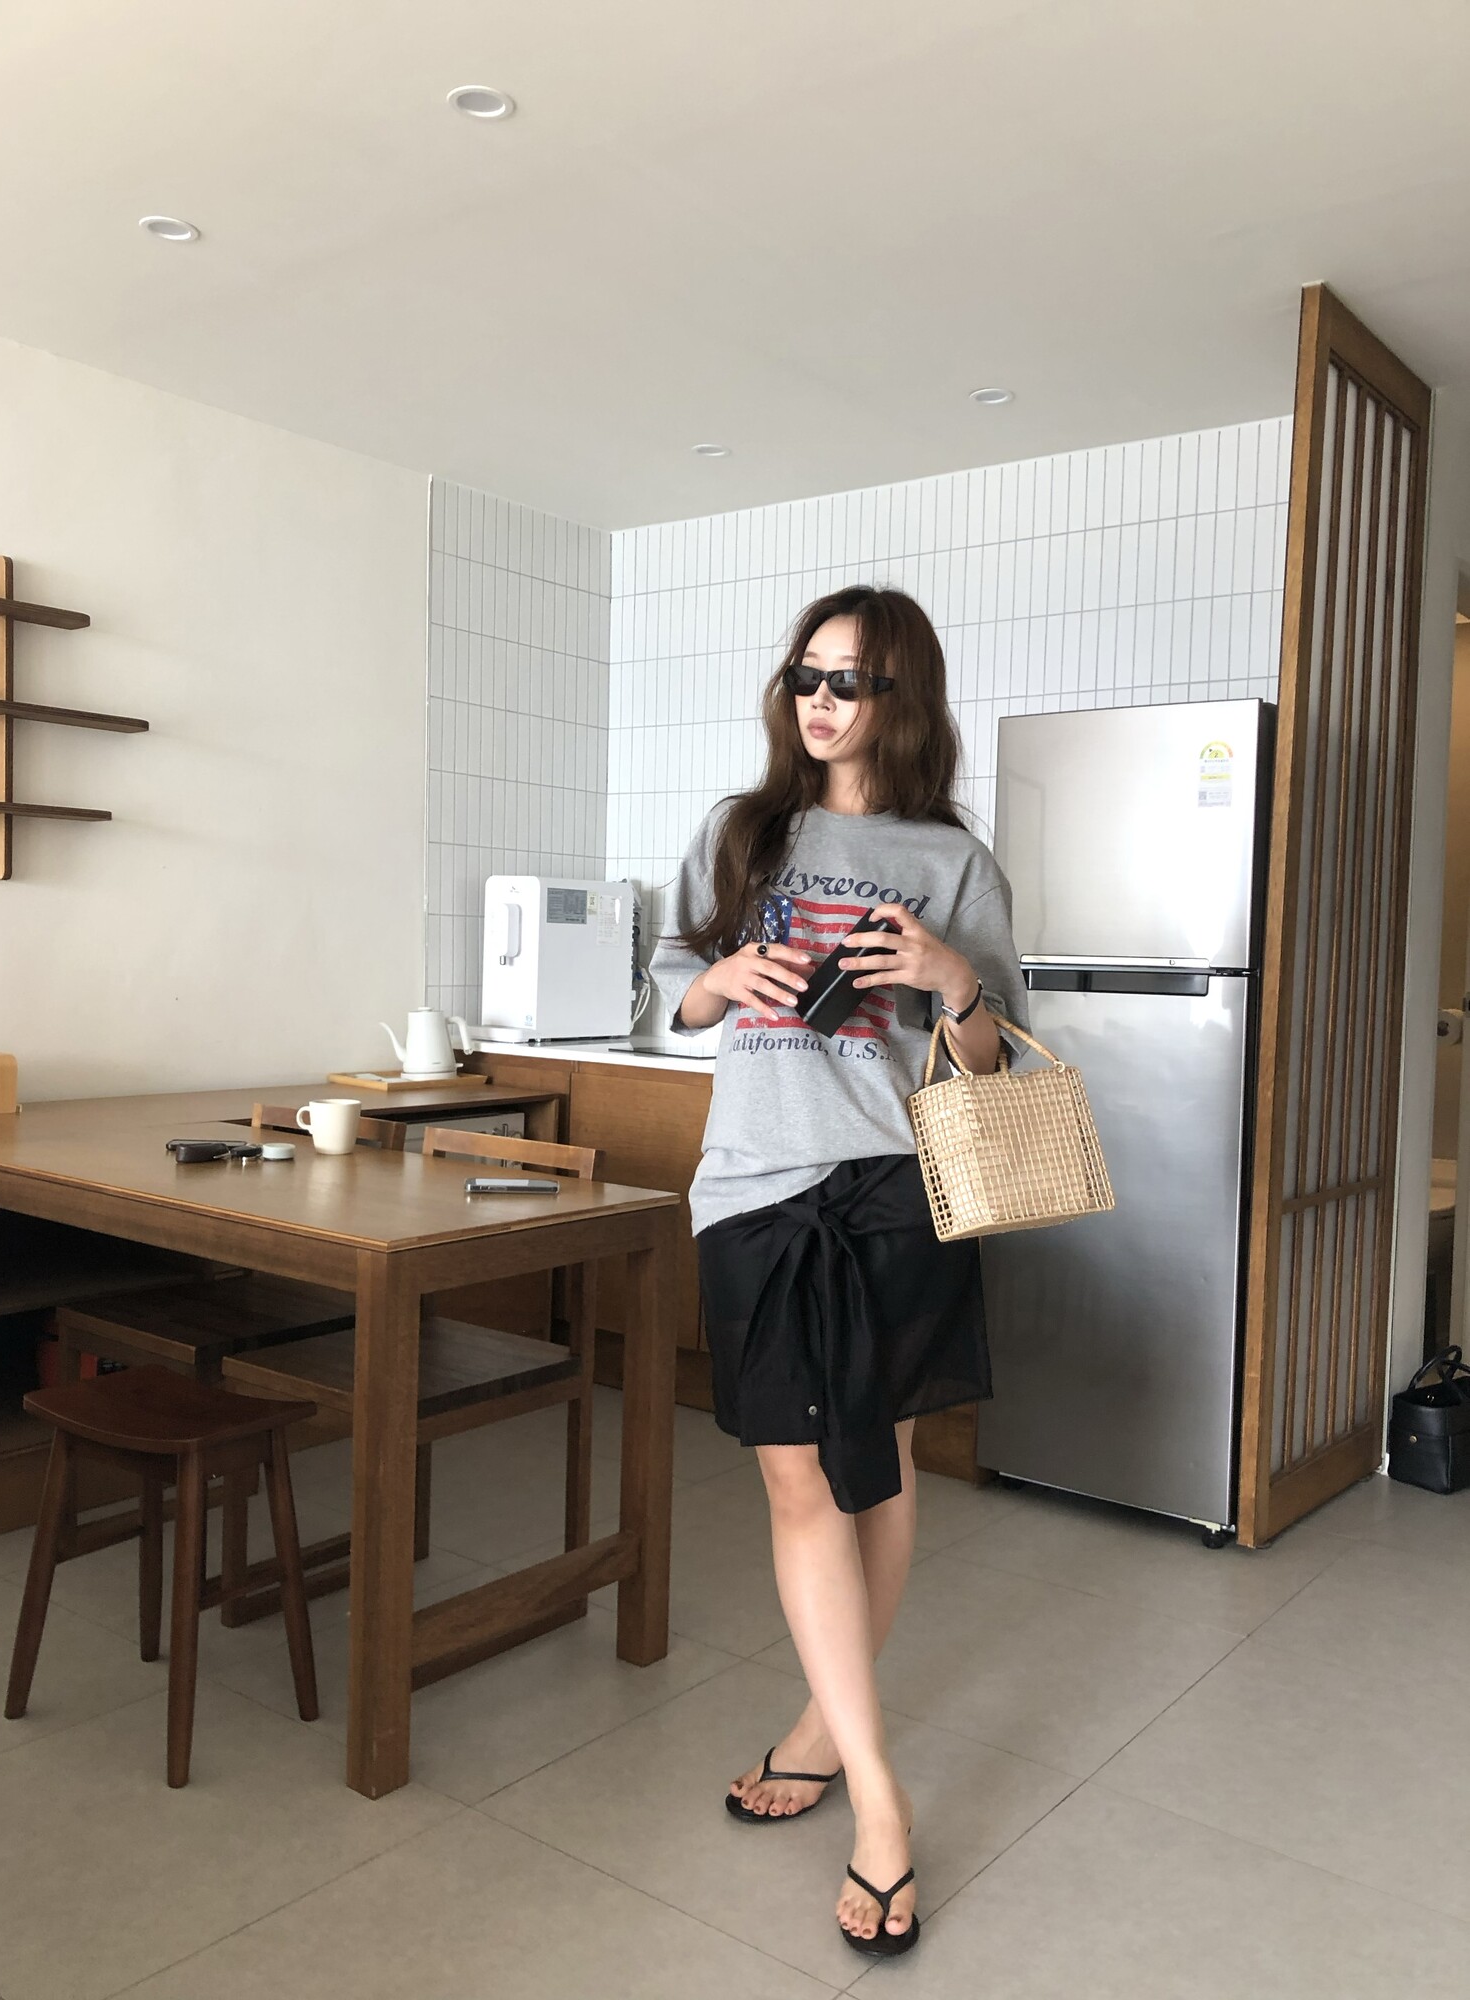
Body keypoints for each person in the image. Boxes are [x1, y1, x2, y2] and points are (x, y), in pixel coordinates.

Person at [648, 584, 1029, 1959]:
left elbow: (994, 1055)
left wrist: (947, 974)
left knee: (883, 1466)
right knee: (795, 1476)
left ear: (900, 697)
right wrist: (722, 983)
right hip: (753, 1187)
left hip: (891, 1188)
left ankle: (824, 1729)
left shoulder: (951, 860)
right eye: (806, 675)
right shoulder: (741, 831)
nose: (820, 701)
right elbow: (665, 992)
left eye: (849, 680)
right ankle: (881, 1797)